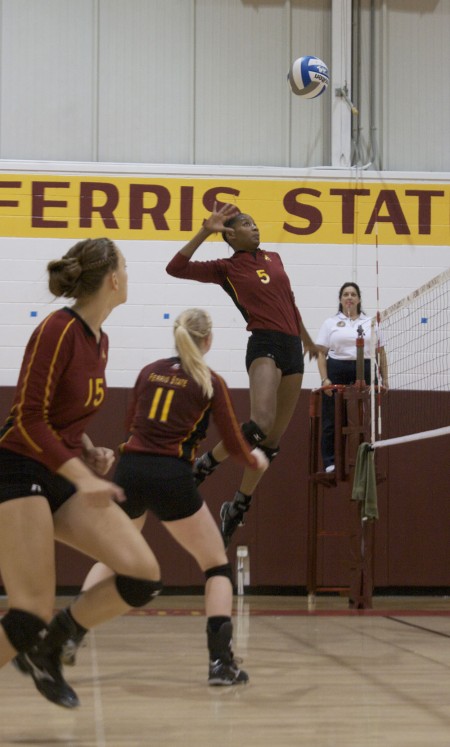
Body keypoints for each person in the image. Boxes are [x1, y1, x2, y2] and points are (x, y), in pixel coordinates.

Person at [58, 308, 268, 685]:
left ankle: (70, 632)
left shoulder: (148, 370)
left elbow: (130, 426)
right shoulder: (210, 381)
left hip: (131, 468)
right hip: (171, 475)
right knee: (216, 566)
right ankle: (221, 664)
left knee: (113, 554)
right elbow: (236, 446)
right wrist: (256, 459)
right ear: (209, 340)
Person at [0, 238, 163, 709]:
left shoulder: (100, 340)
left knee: (142, 576)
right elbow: (28, 418)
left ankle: (54, 644)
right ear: (113, 279)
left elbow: (61, 417)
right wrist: (85, 476)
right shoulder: (57, 328)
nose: (128, 276)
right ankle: (35, 639)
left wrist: (88, 450)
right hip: (19, 468)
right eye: (126, 268)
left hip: (61, 472)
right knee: (27, 614)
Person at [166, 202, 318, 547]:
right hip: (264, 342)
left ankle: (237, 505)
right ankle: (206, 463)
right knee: (259, 424)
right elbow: (175, 268)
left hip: (293, 347)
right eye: (247, 224)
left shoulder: (274, 258)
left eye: (254, 222)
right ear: (231, 235)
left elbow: (289, 301)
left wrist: (308, 340)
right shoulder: (224, 268)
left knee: (271, 444)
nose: (255, 228)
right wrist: (206, 230)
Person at [316, 282, 388, 472]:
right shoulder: (330, 323)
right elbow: (321, 353)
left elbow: (381, 352)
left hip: (364, 368)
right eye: (346, 294)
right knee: (332, 418)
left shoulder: (369, 322)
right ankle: (330, 462)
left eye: (353, 294)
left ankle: (364, 459)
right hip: (336, 368)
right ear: (340, 299)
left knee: (364, 419)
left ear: (359, 299)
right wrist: (325, 379)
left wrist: (385, 380)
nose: (349, 297)